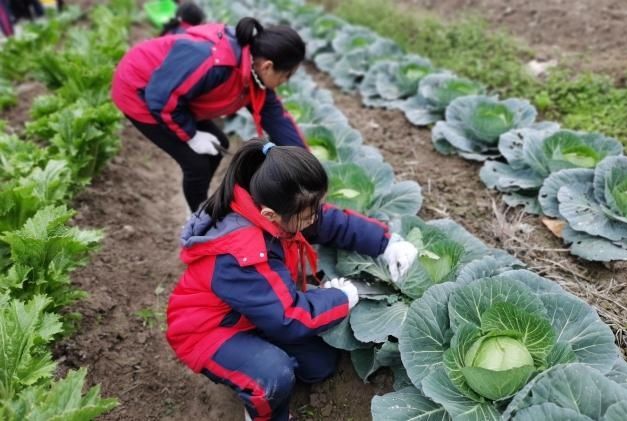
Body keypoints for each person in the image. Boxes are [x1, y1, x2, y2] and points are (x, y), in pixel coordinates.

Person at [166, 141, 418, 421]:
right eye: (307, 216)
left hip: (255, 313)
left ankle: (256, 358)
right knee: (274, 376)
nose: (314, 219)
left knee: (318, 366)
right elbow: (288, 318)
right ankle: (263, 412)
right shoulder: (240, 255)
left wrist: (386, 243)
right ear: (270, 216)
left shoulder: (279, 205)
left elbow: (331, 222)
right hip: (209, 331)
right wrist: (341, 299)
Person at [111, 17, 307, 213]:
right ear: (268, 66)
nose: (285, 81)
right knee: (196, 165)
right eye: (286, 75)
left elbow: (278, 121)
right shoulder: (216, 64)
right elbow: (161, 100)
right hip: (140, 91)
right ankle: (197, 219)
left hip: (175, 97)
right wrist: (192, 136)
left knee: (218, 145)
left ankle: (199, 205)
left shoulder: (253, 72)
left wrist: (306, 165)